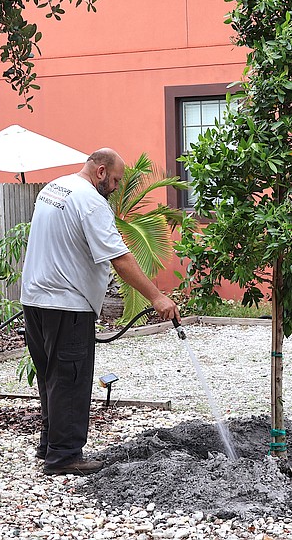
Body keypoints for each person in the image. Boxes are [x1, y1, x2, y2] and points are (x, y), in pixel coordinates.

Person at [21, 148, 180, 475]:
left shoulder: (53, 188)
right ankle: (64, 456)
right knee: (70, 377)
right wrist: (157, 297)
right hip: (68, 303)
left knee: (51, 374)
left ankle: (49, 444)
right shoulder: (91, 202)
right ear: (101, 171)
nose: (117, 187)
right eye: (116, 180)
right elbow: (119, 258)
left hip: (35, 299)